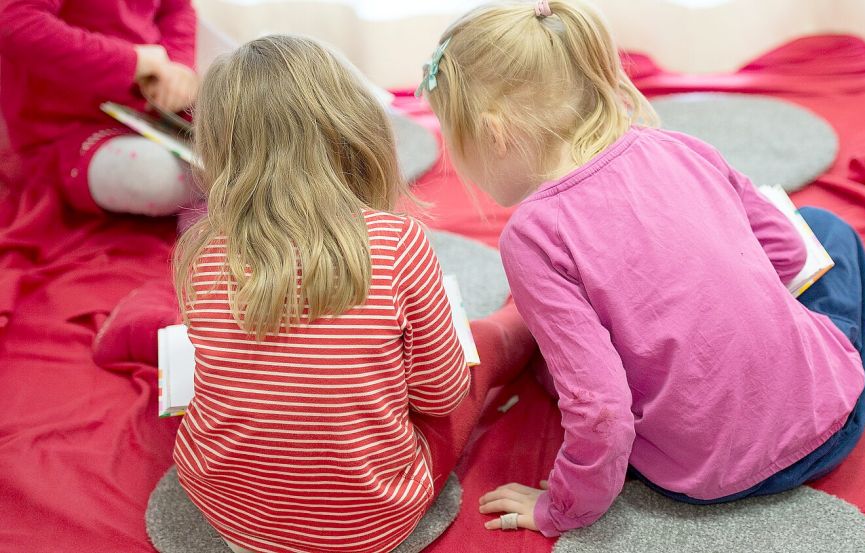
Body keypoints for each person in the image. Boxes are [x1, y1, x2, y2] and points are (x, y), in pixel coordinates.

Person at [419, 0, 865, 537]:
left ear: (494, 135)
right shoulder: (681, 146)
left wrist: (564, 509)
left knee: (574, 359)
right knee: (827, 229)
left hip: (701, 475)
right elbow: (788, 254)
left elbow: (603, 409)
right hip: (831, 423)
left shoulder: (532, 236)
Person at [170, 35, 534, 553]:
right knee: (484, 346)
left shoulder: (203, 251)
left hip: (225, 511)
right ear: (357, 132)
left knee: (196, 357)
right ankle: (522, 320)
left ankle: (137, 338)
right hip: (369, 521)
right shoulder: (396, 242)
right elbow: (439, 396)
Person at [0, 0, 199, 216]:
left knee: (232, 133)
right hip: (63, 126)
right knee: (160, 176)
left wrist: (179, 66)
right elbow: (16, 22)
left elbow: (177, 9)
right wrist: (132, 61)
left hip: (151, 106)